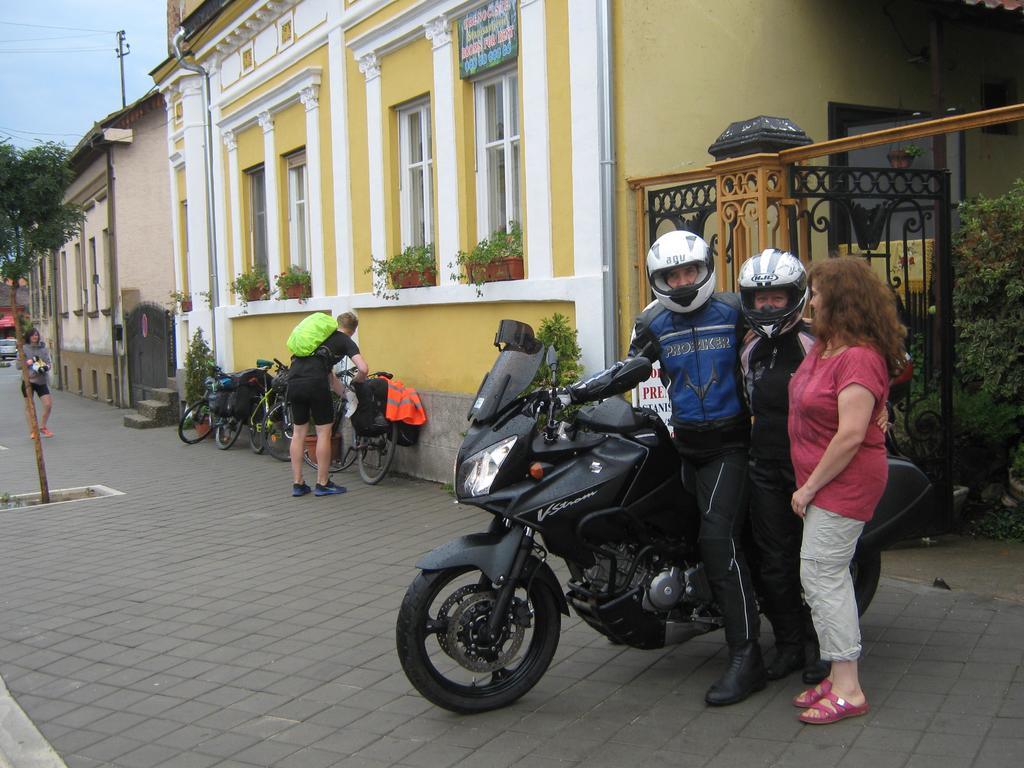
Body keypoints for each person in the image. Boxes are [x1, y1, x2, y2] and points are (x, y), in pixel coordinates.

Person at [629, 230, 764, 706]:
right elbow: (630, 370)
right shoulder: (653, 323)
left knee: (716, 539)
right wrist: (576, 394)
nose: (682, 281)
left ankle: (747, 655)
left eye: (689, 271)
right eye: (672, 275)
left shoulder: (734, 311)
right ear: (659, 279)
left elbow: (778, 353)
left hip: (731, 445)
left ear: (705, 269)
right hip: (683, 443)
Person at [788, 256, 906, 725]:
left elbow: (851, 434)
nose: (810, 299)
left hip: (844, 480)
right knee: (820, 576)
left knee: (822, 576)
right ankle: (837, 676)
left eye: (816, 292)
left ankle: (849, 687)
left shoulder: (857, 355)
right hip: (823, 479)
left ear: (840, 300)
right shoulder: (826, 346)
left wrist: (809, 488)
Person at [738, 250, 830, 686]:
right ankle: (790, 646)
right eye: (759, 298)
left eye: (776, 296)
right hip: (764, 465)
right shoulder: (750, 347)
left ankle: (823, 647)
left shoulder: (819, 341)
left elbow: (866, 374)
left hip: (812, 468)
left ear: (795, 296)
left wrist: (881, 409)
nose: (768, 306)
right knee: (773, 561)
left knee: (816, 562)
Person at [288, 313, 368, 497]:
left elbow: (331, 378)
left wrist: (346, 395)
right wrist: (357, 382)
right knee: (324, 432)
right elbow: (363, 368)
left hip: (294, 381)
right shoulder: (344, 341)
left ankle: (298, 483)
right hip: (315, 384)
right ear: (352, 330)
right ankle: (322, 483)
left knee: (298, 432)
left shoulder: (318, 338)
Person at [17, 328, 54, 438]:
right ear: (29, 337)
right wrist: (28, 362)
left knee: (48, 404)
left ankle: (42, 427)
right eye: (33, 335)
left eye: (36, 335)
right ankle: (33, 430)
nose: (35, 337)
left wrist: (46, 367)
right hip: (28, 381)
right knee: (29, 406)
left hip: (41, 381)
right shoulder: (23, 349)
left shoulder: (43, 349)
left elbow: (48, 362)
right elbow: (18, 366)